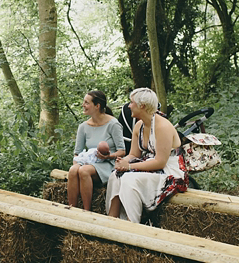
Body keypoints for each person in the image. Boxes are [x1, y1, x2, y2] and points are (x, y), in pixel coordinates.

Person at [106, 88, 188, 223]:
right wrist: (122, 162)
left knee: (130, 179)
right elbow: (133, 154)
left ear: (142, 105)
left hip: (169, 171)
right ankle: (112, 219)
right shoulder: (139, 125)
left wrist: (129, 166)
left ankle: (132, 223)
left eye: (131, 102)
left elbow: (160, 162)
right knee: (115, 175)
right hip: (149, 164)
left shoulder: (162, 127)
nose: (128, 106)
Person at [68, 90, 125, 211]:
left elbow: (122, 151)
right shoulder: (83, 126)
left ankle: (86, 211)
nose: (83, 105)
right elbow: (77, 153)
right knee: (73, 170)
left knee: (84, 171)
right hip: (90, 161)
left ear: (97, 106)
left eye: (86, 102)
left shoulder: (113, 124)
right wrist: (76, 167)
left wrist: (108, 157)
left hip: (108, 163)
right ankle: (71, 210)